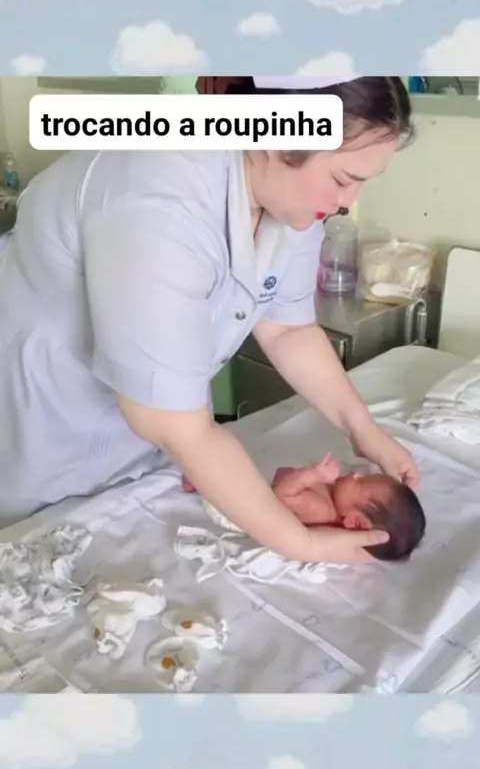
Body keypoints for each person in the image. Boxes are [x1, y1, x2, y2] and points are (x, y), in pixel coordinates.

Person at [0, 74, 419, 565]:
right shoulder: (157, 194)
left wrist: (363, 429)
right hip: (41, 433)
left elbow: (288, 328)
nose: (348, 201)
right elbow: (172, 423)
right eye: (344, 179)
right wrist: (300, 542)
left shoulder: (288, 199)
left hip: (143, 442)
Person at [271, 455, 426, 561]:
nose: (357, 474)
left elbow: (282, 494)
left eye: (360, 482)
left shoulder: (320, 509)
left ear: (355, 522)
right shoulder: (337, 501)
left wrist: (314, 474)